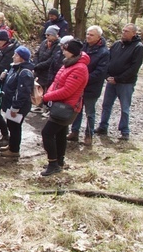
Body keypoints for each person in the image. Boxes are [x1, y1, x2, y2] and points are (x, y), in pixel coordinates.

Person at [34, 40, 89, 176]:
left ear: (73, 52)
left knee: (47, 133)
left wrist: (47, 97)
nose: (63, 52)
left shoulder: (80, 68)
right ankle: (59, 161)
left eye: (66, 50)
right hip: (60, 104)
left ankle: (53, 163)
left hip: (67, 107)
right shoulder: (68, 63)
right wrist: (49, 93)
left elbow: (67, 90)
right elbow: (56, 82)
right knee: (60, 133)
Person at [96, 23, 143, 140]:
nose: (123, 33)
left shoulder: (138, 47)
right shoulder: (117, 44)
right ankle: (103, 126)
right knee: (106, 105)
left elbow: (134, 68)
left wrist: (118, 79)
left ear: (134, 33)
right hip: (111, 80)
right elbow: (108, 60)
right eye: (123, 30)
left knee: (125, 107)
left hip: (126, 83)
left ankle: (124, 130)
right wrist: (107, 76)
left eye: (127, 31)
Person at [67, 26, 109, 146]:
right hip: (79, 86)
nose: (88, 36)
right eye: (87, 34)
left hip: (92, 87)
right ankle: (74, 132)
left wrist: (84, 79)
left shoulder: (104, 52)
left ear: (98, 37)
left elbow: (100, 72)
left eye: (91, 35)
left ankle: (89, 135)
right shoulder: (83, 47)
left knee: (89, 112)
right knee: (76, 110)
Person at [0, 46, 35, 158]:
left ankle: (14, 150)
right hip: (11, 104)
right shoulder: (15, 68)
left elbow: (22, 92)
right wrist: (3, 77)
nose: (13, 56)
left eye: (16, 55)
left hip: (18, 106)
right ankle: (11, 145)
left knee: (14, 127)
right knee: (10, 124)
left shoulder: (24, 72)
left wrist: (15, 107)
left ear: (22, 58)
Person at [0, 29, 19, 144]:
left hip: (0, 85)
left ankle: (5, 134)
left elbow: (2, 68)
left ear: (4, 41)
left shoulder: (9, 51)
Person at [32, 25, 60, 112]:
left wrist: (39, 65)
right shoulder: (44, 42)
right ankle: (38, 105)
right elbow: (37, 53)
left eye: (49, 35)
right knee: (39, 88)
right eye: (46, 35)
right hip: (40, 69)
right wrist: (36, 63)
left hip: (48, 70)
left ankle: (47, 107)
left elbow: (52, 59)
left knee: (47, 89)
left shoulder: (58, 45)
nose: (46, 37)